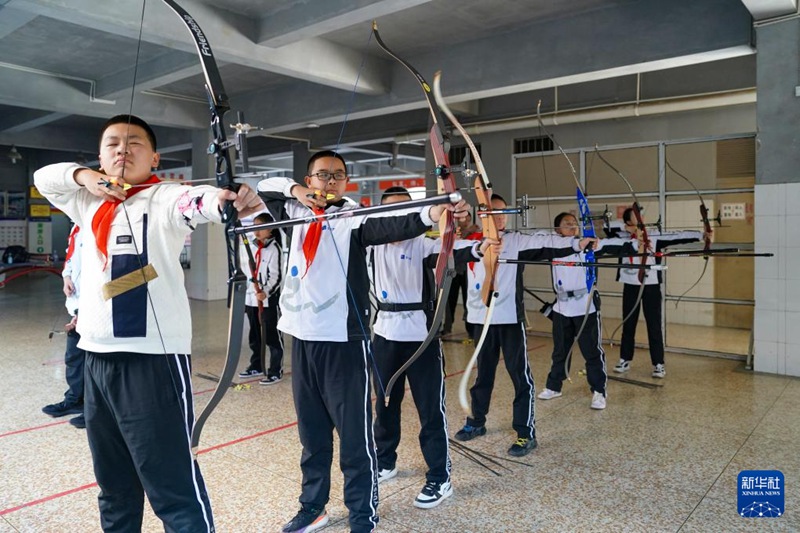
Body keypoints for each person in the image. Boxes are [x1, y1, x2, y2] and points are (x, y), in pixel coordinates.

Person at [34, 114, 265, 532]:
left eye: (135, 142)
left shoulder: (162, 197)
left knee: (172, 487)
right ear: (101, 157)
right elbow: (44, 177)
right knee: (114, 485)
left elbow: (197, 202)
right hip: (96, 359)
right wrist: (85, 176)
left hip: (152, 362)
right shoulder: (87, 202)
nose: (123, 149)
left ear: (155, 156)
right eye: (112, 144)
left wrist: (226, 201)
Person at [257, 151, 467, 533]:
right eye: (322, 175)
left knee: (355, 438)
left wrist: (434, 214)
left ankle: (361, 515)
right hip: (302, 338)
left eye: (338, 175)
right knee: (312, 434)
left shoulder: (354, 217)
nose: (330, 181)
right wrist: (295, 190)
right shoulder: (295, 211)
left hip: (343, 340)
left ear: (347, 182)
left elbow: (396, 224)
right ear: (309, 179)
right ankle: (313, 506)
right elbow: (263, 186)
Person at [454, 194, 597, 456]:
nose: (499, 217)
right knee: (482, 375)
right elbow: (445, 250)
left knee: (520, 376)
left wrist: (579, 243)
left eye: (502, 212)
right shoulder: (469, 243)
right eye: (492, 213)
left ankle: (525, 433)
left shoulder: (516, 240)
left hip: (509, 320)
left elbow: (549, 244)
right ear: (481, 215)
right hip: (480, 320)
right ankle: (476, 422)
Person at [370, 186, 484, 510]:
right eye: (389, 210)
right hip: (384, 334)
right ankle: (385, 461)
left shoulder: (424, 244)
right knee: (386, 405)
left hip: (421, 336)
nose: (397, 216)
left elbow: (453, 250)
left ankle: (439, 477)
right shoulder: (370, 245)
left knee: (430, 410)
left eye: (404, 209)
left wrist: (480, 246)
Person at [537, 213, 636, 410]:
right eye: (567, 224)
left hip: (585, 305)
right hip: (562, 306)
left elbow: (615, 245)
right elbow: (536, 238)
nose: (573, 227)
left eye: (575, 224)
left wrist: (632, 239)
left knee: (592, 352)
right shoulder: (552, 245)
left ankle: (599, 391)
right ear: (557, 230)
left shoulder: (588, 245)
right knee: (560, 351)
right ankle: (554, 386)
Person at [613, 206, 708, 378]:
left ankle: (658, 363)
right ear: (628, 221)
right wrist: (626, 228)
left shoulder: (653, 235)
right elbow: (606, 229)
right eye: (635, 216)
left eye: (641, 215)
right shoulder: (622, 236)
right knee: (629, 323)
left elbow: (677, 236)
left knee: (654, 324)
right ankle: (624, 359)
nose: (640, 217)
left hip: (650, 285)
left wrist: (702, 235)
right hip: (630, 284)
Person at [42, 223, 87, 428]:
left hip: (96, 309)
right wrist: (66, 278)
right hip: (77, 307)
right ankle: (75, 399)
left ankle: (97, 409)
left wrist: (86, 311)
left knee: (96, 364)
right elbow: (70, 260)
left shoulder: (103, 222)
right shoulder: (77, 226)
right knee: (74, 359)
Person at [238, 212, 284, 384]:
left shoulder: (274, 250)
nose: (257, 231)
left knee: (272, 335)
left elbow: (276, 276)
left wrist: (266, 291)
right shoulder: (251, 246)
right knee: (254, 335)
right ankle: (256, 365)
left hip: (268, 300)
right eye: (255, 226)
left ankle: (275, 370)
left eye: (261, 227)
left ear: (270, 229)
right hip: (251, 299)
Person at [442, 211, 480, 337]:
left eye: (468, 220)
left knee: (468, 301)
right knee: (449, 301)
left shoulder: (473, 233)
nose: (466, 222)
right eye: (464, 220)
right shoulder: (453, 230)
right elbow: (456, 240)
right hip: (452, 271)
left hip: (467, 273)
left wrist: (471, 231)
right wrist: (468, 230)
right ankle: (447, 328)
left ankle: (471, 330)